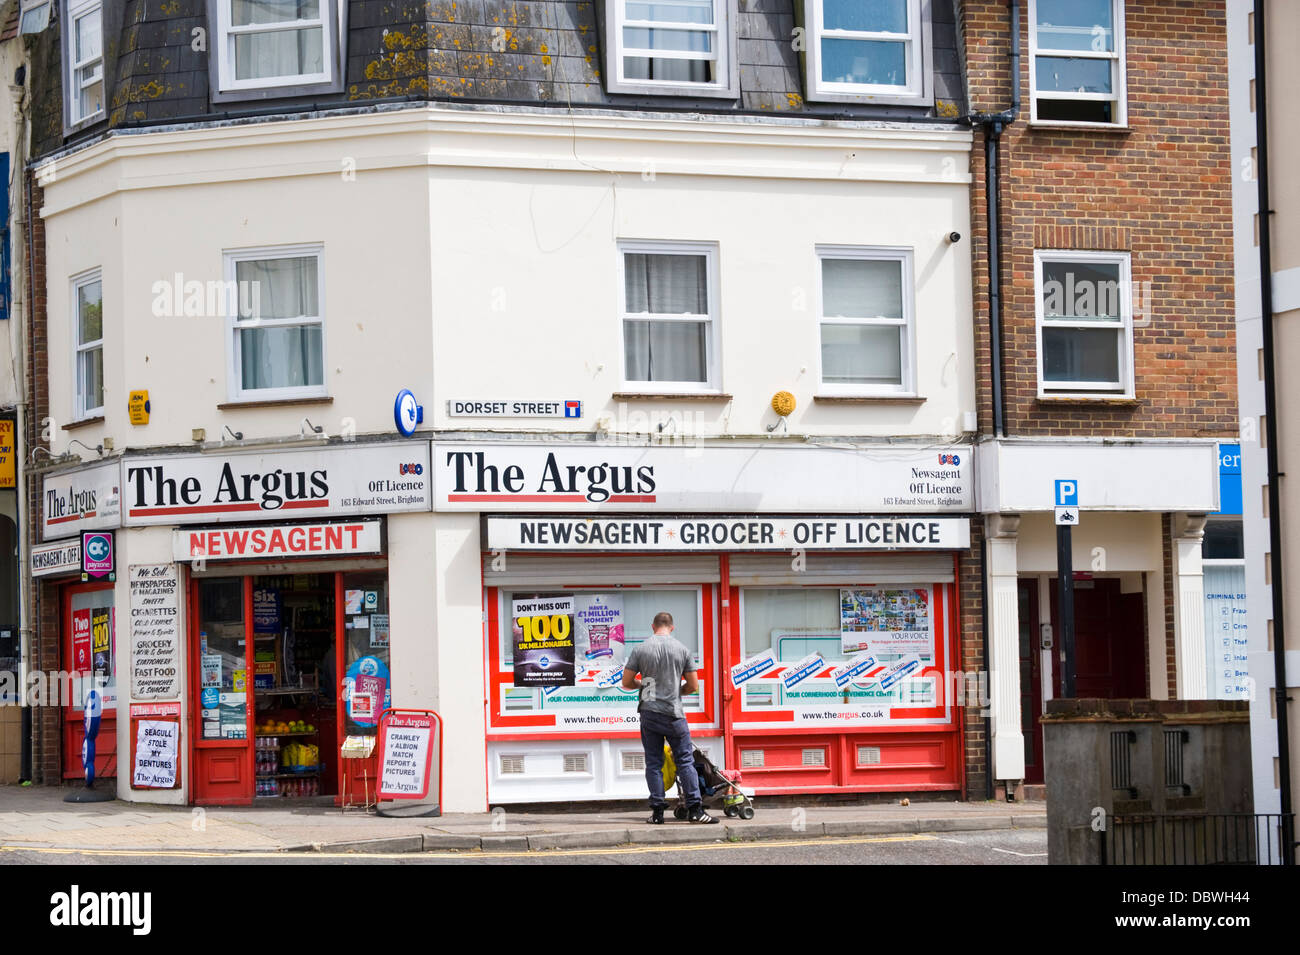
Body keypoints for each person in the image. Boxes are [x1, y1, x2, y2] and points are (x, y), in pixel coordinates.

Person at [622, 611, 717, 824]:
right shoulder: (682, 650)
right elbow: (693, 686)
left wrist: (642, 684)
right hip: (674, 715)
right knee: (685, 761)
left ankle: (657, 813)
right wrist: (676, 692)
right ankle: (695, 810)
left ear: (653, 626)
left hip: (649, 713)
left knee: (654, 763)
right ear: (671, 627)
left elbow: (626, 682)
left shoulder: (640, 649)